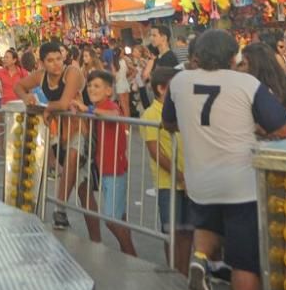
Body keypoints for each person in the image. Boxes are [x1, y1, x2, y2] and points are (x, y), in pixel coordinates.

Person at [162, 29, 286, 290]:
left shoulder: (180, 81)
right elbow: (282, 127)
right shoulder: (245, 83)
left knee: (207, 224)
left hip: (200, 181)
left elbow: (168, 123)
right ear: (234, 57)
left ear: (197, 56)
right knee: (245, 263)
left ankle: (201, 259)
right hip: (241, 183)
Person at [15, 42, 86, 231]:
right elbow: (19, 86)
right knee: (84, 192)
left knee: (72, 161)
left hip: (80, 127)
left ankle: (60, 209)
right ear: (42, 63)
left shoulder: (72, 72)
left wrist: (48, 108)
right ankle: (94, 237)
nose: (56, 64)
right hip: (58, 131)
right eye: (50, 60)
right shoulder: (41, 76)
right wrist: (26, 97)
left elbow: (62, 104)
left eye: (59, 59)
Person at [69, 70, 137, 256]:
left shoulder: (109, 105)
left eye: (97, 86)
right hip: (105, 169)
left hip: (115, 170)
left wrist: (88, 109)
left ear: (109, 91)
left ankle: (132, 255)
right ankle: (127, 253)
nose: (91, 89)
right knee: (119, 216)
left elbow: (114, 114)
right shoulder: (97, 108)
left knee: (111, 220)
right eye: (89, 86)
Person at [140, 66, 192, 275]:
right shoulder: (150, 113)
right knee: (171, 230)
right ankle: (173, 270)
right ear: (162, 89)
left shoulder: (184, 109)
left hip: (189, 177)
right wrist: (180, 177)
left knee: (188, 230)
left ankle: (184, 270)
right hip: (167, 182)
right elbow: (155, 152)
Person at [237, 42, 286, 110]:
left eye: (242, 64)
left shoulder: (266, 96)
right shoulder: (279, 87)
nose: (237, 69)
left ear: (256, 66)